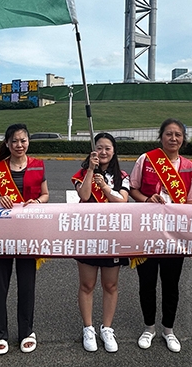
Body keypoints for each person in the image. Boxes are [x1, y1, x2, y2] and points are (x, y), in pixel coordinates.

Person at [129, 118, 192, 353]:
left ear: (183, 139)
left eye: (178, 135)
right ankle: (149, 327)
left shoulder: (189, 166)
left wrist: (190, 237)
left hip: (175, 235)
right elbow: (133, 189)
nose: (173, 138)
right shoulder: (146, 159)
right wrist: (146, 199)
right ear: (161, 137)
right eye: (169, 134)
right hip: (147, 232)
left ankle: (169, 329)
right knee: (147, 283)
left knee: (171, 284)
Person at [0, 123, 49, 355]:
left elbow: (45, 194)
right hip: (1, 233)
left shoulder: (38, 165)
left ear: (28, 142)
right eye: (14, 141)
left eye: (23, 140)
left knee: (27, 285)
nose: (19, 145)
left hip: (28, 232)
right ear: (7, 143)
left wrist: (38, 202)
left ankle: (26, 332)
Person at [71, 133, 130, 353]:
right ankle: (88, 328)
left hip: (113, 236)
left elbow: (122, 201)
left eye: (107, 148)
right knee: (87, 285)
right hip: (87, 234)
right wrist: (90, 170)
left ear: (114, 151)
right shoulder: (81, 173)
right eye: (99, 148)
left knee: (110, 285)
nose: (103, 152)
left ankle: (107, 328)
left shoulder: (122, 176)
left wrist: (105, 187)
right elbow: (85, 195)